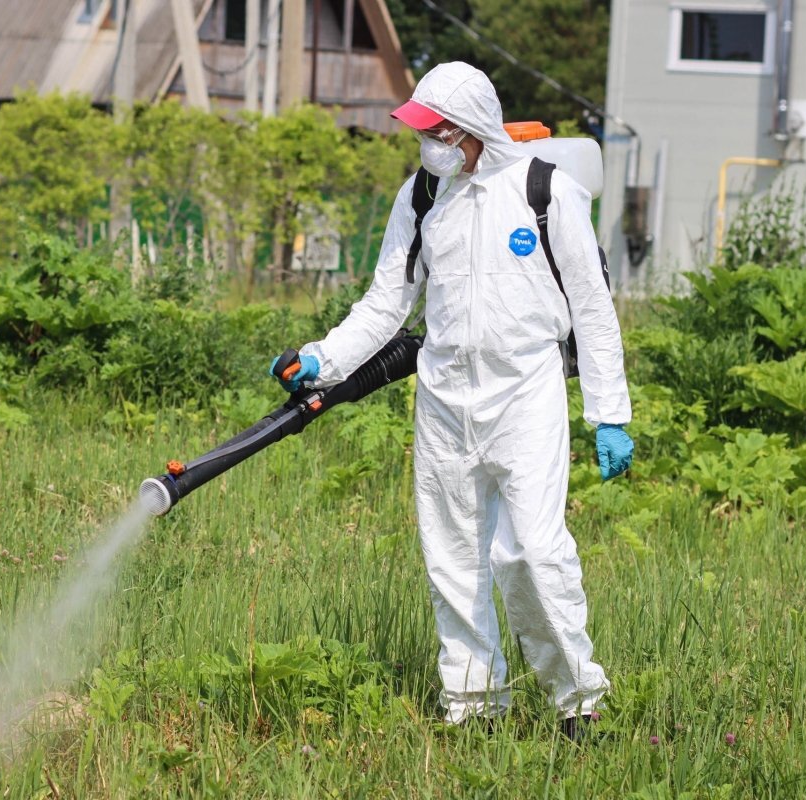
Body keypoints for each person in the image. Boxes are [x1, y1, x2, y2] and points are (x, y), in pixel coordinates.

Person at [271, 62, 634, 738]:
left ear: (471, 128)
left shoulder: (544, 191)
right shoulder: (420, 195)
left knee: (531, 552)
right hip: (443, 397)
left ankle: (578, 702)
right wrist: (323, 359)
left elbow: (592, 306)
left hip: (525, 392)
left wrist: (608, 413)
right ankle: (474, 708)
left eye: (436, 133)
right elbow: (386, 302)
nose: (427, 146)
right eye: (421, 134)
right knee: (453, 558)